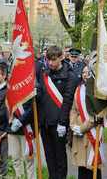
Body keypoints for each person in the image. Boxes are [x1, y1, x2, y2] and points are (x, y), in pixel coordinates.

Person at [36, 45, 77, 179]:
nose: (51, 63)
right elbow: (41, 97)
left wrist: (62, 122)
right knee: (49, 156)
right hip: (44, 122)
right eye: (49, 60)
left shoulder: (70, 76)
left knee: (60, 157)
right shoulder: (44, 73)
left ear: (61, 57)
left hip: (58, 123)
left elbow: (67, 101)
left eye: (54, 59)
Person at [69, 66, 102, 179]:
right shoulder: (79, 89)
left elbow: (98, 114)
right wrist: (73, 125)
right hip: (79, 131)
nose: (85, 74)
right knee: (81, 164)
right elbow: (73, 109)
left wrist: (82, 128)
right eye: (83, 72)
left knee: (92, 164)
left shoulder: (98, 90)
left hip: (92, 130)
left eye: (88, 72)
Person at [9, 100, 35, 178]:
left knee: (29, 159)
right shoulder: (8, 89)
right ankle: (19, 177)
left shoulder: (28, 89)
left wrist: (21, 120)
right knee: (15, 158)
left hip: (27, 128)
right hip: (12, 128)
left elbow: (32, 108)